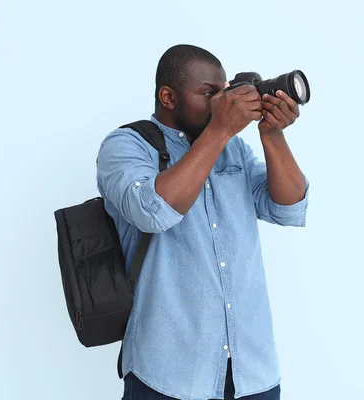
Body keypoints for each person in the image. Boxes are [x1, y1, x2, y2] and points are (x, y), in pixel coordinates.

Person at [96, 44, 309, 400]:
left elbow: (287, 207)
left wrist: (271, 134)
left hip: (251, 369)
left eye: (222, 92)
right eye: (208, 93)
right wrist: (221, 130)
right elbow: (153, 211)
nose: (219, 103)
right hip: (168, 372)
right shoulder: (125, 145)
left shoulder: (234, 149)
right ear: (168, 96)